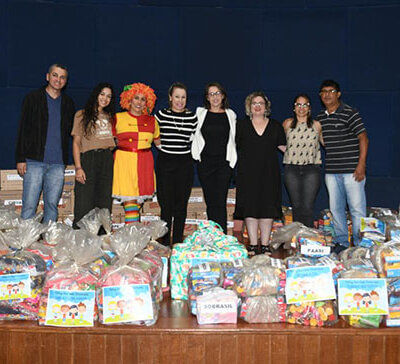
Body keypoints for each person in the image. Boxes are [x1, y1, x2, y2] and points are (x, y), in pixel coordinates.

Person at [15, 64, 75, 223]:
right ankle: (25, 242)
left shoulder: (68, 103)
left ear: (65, 81)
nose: (58, 80)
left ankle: (49, 240)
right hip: (34, 161)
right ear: (48, 77)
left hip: (58, 164)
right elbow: (23, 128)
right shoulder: (33, 98)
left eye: (62, 77)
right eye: (55, 75)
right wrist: (20, 158)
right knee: (29, 205)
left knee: (52, 205)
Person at [316, 79, 368, 253]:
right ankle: (342, 243)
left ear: (338, 94)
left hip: (352, 171)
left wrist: (361, 165)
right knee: (336, 209)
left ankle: (361, 246)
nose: (327, 95)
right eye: (323, 92)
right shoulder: (320, 117)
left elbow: (363, 138)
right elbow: (323, 140)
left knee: (357, 210)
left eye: (331, 91)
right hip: (331, 171)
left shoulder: (350, 112)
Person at [234, 91, 286, 255]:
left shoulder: (276, 126)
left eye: (260, 103)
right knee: (250, 209)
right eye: (254, 103)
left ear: (266, 107)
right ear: (249, 107)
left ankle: (264, 244)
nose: (257, 106)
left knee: (267, 209)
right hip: (247, 174)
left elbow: (286, 149)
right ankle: (252, 244)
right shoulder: (240, 126)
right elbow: (230, 148)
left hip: (269, 174)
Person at [155, 82, 197, 245]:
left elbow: (194, 139)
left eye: (183, 97)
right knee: (166, 205)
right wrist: (162, 148)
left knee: (181, 205)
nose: (180, 100)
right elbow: (154, 134)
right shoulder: (160, 115)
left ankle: (178, 241)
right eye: (177, 97)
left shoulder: (192, 117)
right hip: (165, 162)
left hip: (184, 163)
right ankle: (165, 242)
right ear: (170, 98)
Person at [191, 82, 237, 233]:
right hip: (206, 164)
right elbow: (192, 135)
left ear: (223, 96)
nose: (215, 97)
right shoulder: (200, 114)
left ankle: (221, 235)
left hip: (224, 164)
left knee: (220, 201)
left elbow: (235, 139)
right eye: (211, 94)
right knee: (210, 202)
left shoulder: (230, 115)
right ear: (207, 98)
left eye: (217, 93)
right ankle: (212, 235)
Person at [112, 82, 160, 223]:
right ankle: (132, 236)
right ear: (129, 99)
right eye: (136, 98)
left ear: (147, 102)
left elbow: (160, 144)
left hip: (144, 162)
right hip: (124, 161)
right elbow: (106, 141)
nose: (139, 102)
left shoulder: (152, 121)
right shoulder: (117, 118)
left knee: (135, 204)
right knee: (130, 203)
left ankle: (132, 236)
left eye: (143, 99)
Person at [71, 82, 116, 228]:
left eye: (109, 96)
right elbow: (76, 143)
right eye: (102, 94)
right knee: (84, 200)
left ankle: (102, 237)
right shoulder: (81, 115)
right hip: (88, 159)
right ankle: (80, 237)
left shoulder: (111, 117)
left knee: (104, 200)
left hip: (106, 159)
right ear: (96, 94)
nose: (105, 98)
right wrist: (78, 168)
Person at [283, 94, 323, 228]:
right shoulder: (287, 124)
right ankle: (296, 237)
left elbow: (326, 144)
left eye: (305, 104)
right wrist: (289, 152)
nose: (301, 108)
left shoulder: (316, 125)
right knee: (296, 206)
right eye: (298, 104)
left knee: (307, 206)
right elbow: (279, 142)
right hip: (291, 169)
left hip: (311, 169)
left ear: (309, 108)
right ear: (294, 108)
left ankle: (308, 238)